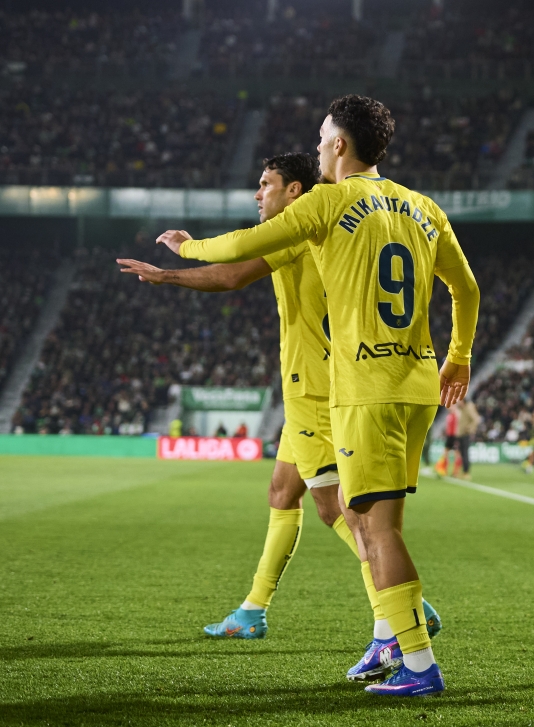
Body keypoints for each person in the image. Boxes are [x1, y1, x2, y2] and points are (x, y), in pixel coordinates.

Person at [157, 94, 479, 698]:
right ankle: (391, 634)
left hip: (363, 389)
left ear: (338, 145)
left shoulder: (329, 203)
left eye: (322, 134)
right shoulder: (423, 207)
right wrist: (458, 356)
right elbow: (467, 288)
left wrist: (184, 250)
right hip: (417, 384)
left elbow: (236, 252)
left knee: (374, 530)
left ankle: (418, 664)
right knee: (365, 518)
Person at [119, 154, 441, 676]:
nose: (257, 195)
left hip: (318, 392)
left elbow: (230, 274)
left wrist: (167, 274)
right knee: (282, 491)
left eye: (265, 184)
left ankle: (401, 608)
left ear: (295, 191)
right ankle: (254, 607)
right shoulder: (344, 225)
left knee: (341, 510)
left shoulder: (304, 230)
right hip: (329, 385)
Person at [454, 398, 480, 479]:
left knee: (465, 453)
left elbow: (476, 419)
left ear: (463, 401)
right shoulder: (462, 408)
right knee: (462, 453)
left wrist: (469, 429)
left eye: (459, 401)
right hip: (461, 434)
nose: (457, 403)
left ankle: (466, 472)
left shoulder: (468, 408)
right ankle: (462, 471)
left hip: (465, 434)